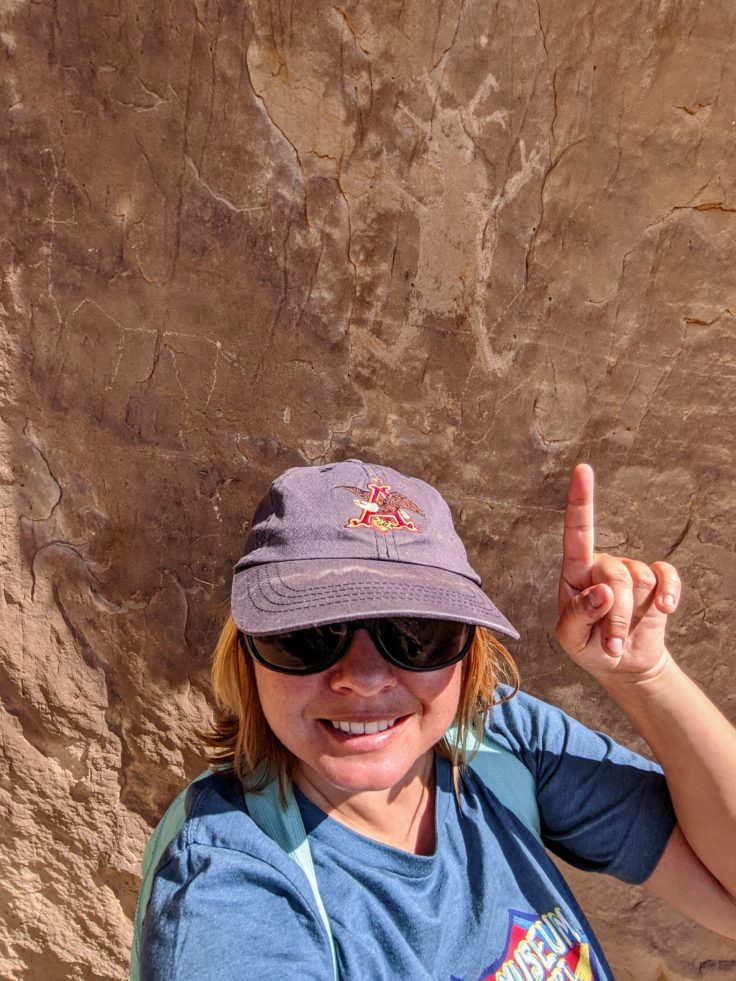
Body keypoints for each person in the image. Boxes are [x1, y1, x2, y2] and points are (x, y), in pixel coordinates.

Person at [136, 459, 736, 980]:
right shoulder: (226, 887)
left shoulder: (497, 740)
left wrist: (646, 677)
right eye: (310, 636)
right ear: (246, 650)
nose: (364, 678)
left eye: (415, 635)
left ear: (470, 650)